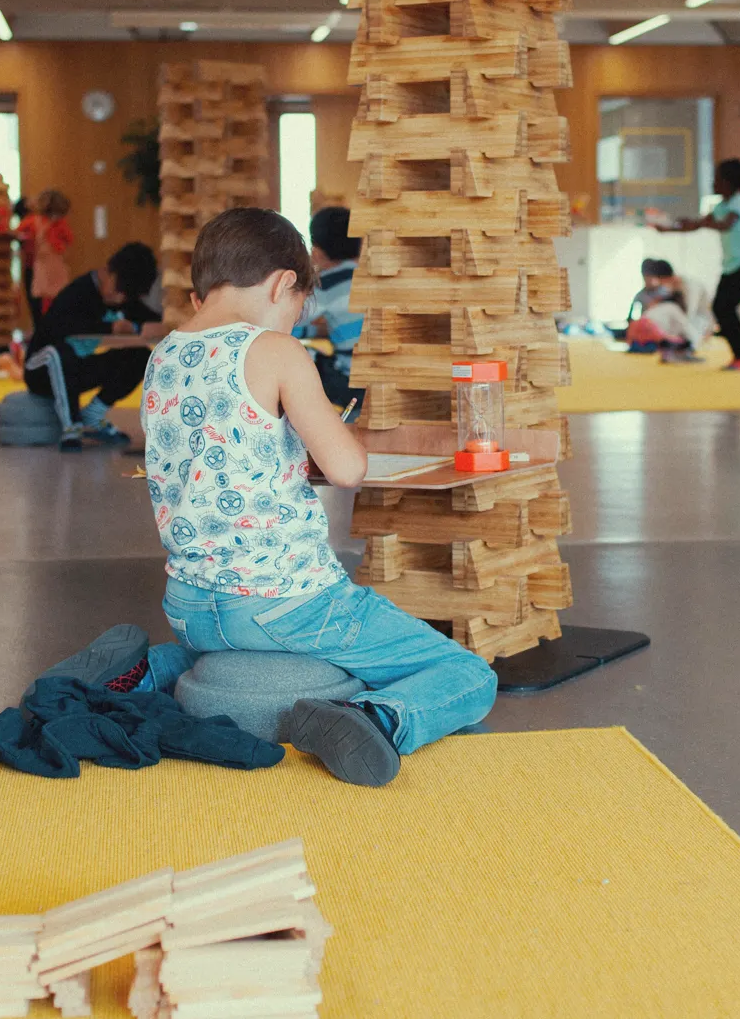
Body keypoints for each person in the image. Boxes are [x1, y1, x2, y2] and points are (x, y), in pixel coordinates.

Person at [141, 207, 497, 787]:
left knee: (232, 647)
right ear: (285, 283)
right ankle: (374, 718)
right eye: (298, 308)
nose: (295, 321)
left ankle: (150, 666)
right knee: (467, 673)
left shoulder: (163, 356)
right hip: (286, 603)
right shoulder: (277, 350)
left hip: (188, 608)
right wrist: (333, 423)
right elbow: (347, 468)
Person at [25, 242, 161, 451]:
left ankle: (93, 414)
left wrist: (148, 326)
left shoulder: (122, 299)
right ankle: (72, 426)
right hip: (41, 369)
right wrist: (109, 327)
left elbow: (149, 318)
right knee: (61, 353)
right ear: (108, 272)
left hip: (75, 371)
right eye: (117, 290)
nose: (118, 298)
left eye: (125, 296)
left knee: (140, 356)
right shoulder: (79, 292)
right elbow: (59, 328)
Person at [661, 158, 740, 371]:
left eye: (717, 179)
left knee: (724, 307)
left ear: (729, 182)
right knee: (722, 308)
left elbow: (726, 224)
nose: (713, 183)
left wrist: (703, 223)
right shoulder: (722, 205)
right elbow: (698, 224)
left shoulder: (738, 201)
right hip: (732, 265)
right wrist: (669, 229)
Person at [294, 205, 363, 408]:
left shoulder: (325, 285)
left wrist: (311, 330)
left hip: (351, 382)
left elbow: (288, 322)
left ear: (316, 251)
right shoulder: (370, 278)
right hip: (381, 377)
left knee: (309, 360)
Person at [15, 188, 74, 325]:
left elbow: (68, 239)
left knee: (54, 299)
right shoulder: (35, 221)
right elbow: (19, 232)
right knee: (45, 300)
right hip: (44, 265)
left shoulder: (54, 223)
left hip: (53, 265)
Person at [624, 257, 699, 363]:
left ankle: (674, 346)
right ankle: (675, 347)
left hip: (643, 327)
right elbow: (686, 324)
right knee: (676, 332)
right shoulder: (667, 303)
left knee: (675, 330)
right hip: (648, 326)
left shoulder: (668, 297)